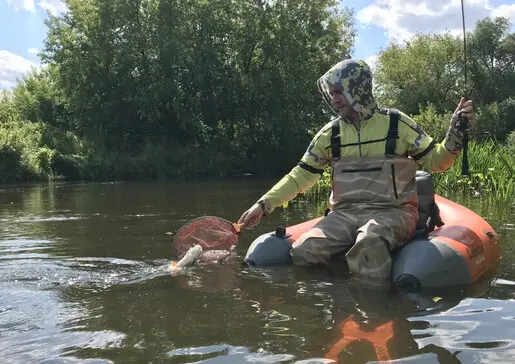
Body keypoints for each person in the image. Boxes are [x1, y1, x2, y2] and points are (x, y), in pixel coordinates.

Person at [237, 59, 476, 279]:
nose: (335, 99)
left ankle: (377, 310)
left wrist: (454, 137)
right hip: (344, 215)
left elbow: (438, 162)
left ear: (359, 90)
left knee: (369, 242)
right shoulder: (330, 134)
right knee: (305, 249)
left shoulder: (396, 123)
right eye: (332, 93)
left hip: (394, 212)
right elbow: (300, 175)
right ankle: (336, 302)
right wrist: (263, 204)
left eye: (340, 92)